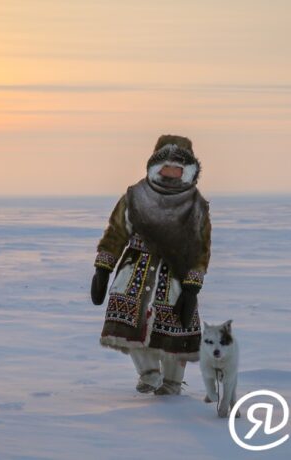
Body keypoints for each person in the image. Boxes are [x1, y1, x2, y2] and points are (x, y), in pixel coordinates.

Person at [90, 134, 212, 395]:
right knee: (128, 322)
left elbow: (200, 247)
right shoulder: (134, 196)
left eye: (177, 168)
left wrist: (192, 287)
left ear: (187, 171)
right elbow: (116, 232)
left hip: (176, 275)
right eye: (165, 167)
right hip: (135, 270)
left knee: (175, 326)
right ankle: (149, 374)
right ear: (155, 167)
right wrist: (103, 268)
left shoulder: (196, 205)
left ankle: (172, 382)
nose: (170, 173)